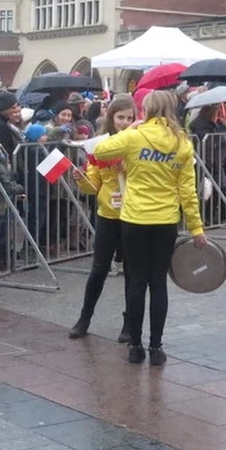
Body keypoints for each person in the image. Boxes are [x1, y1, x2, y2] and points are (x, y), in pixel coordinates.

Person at [94, 90, 206, 366]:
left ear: (147, 110)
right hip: (165, 220)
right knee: (158, 284)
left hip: (134, 219)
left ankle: (135, 346)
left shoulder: (135, 136)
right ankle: (156, 347)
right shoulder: (182, 142)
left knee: (136, 283)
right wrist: (196, 227)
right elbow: (187, 191)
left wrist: (130, 129)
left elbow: (100, 150)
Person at [69, 94, 135, 342]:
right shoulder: (99, 146)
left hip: (133, 215)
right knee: (98, 269)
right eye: (120, 117)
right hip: (107, 214)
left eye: (130, 118)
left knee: (132, 271)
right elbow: (93, 185)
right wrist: (82, 179)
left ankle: (129, 323)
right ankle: (84, 318)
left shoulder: (137, 143)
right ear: (111, 118)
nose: (125, 123)